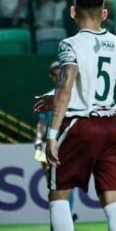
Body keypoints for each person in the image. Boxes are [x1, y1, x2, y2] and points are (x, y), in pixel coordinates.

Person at [38, 0, 116, 231]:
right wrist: (57, 98)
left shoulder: (70, 44)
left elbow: (67, 86)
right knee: (112, 199)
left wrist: (51, 134)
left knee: (59, 194)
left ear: (73, 12)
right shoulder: (115, 44)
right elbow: (92, 86)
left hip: (79, 126)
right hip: (111, 125)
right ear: (104, 14)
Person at [33, 61, 77, 219]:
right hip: (52, 146)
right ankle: (62, 215)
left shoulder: (75, 95)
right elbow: (42, 124)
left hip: (71, 144)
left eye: (60, 72)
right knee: (54, 184)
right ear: (51, 76)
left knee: (66, 182)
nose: (58, 75)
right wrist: (38, 141)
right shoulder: (49, 98)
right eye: (54, 73)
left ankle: (66, 215)